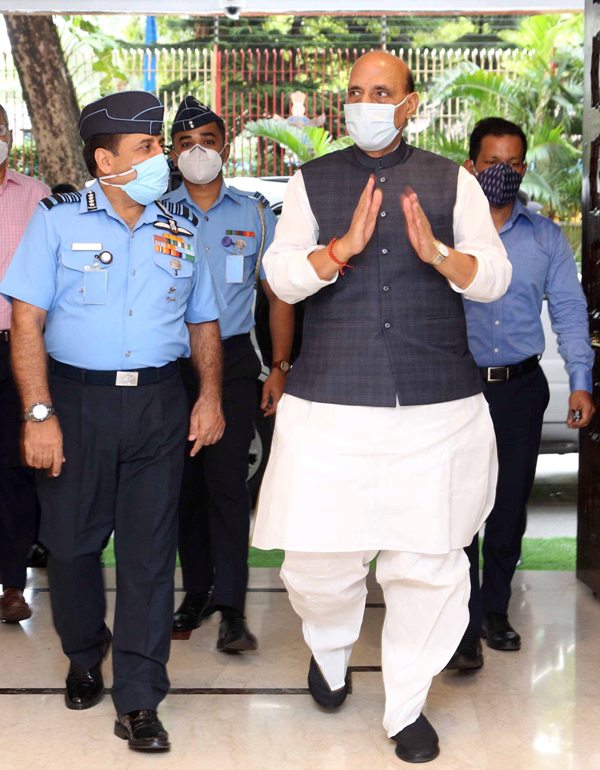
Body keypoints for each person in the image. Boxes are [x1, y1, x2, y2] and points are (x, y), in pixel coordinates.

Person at [252, 51, 512, 764]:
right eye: (356, 92)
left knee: (427, 564)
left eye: (381, 93)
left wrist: (439, 256)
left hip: (435, 408)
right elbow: (279, 272)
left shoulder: (450, 181)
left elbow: (493, 275)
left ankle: (405, 706)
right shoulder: (313, 181)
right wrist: (338, 250)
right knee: (316, 565)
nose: (366, 103)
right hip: (331, 406)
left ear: (409, 102)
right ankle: (330, 651)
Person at [0, 91, 224, 752]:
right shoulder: (57, 223)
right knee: (70, 547)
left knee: (151, 557)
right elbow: (27, 324)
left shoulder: (179, 229)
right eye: (149, 147)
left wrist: (209, 395)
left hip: (158, 404)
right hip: (76, 401)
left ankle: (139, 698)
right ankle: (82, 651)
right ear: (106, 160)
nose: (164, 157)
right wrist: (39, 413)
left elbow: (204, 321)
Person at [445, 117, 595, 671]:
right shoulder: (446, 236)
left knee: (507, 508)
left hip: (519, 389)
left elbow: (571, 312)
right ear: (470, 166)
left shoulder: (545, 237)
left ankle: (494, 610)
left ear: (523, 168)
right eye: (491, 164)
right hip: (455, 391)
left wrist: (581, 380)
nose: (501, 174)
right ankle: (458, 620)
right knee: (457, 508)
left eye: (511, 164)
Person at [164, 96, 294, 650]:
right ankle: (195, 590)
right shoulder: (157, 214)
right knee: (182, 487)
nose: (199, 152)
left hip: (238, 361)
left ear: (225, 146)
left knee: (227, 484)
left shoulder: (257, 214)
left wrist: (280, 367)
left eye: (208, 141)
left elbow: (278, 296)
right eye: (187, 143)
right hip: (172, 365)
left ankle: (233, 607)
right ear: (172, 153)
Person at [0, 102, 50, 623]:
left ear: (8, 136)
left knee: (14, 468)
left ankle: (13, 585)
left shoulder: (34, 197)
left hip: (13, 346)